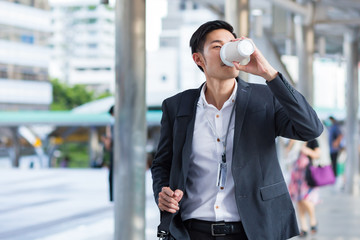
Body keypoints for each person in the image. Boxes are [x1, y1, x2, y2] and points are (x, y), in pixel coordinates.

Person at [151, 20, 323, 240]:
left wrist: (268, 73)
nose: (227, 51)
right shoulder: (177, 106)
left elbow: (311, 128)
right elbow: (162, 163)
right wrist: (162, 192)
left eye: (231, 44)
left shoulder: (265, 99)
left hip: (254, 230)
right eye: (217, 46)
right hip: (193, 231)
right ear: (198, 59)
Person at [288, 139, 321, 238]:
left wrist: (306, 150)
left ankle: (313, 221)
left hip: (307, 175)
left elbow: (317, 154)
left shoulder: (312, 140)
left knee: (306, 199)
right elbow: (286, 153)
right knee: (299, 201)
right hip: (296, 175)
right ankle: (304, 228)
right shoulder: (292, 140)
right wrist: (291, 143)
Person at [101, 105, 114, 202]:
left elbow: (108, 144)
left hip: (115, 154)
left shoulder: (112, 125)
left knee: (112, 176)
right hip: (125, 156)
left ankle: (112, 197)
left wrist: (106, 141)